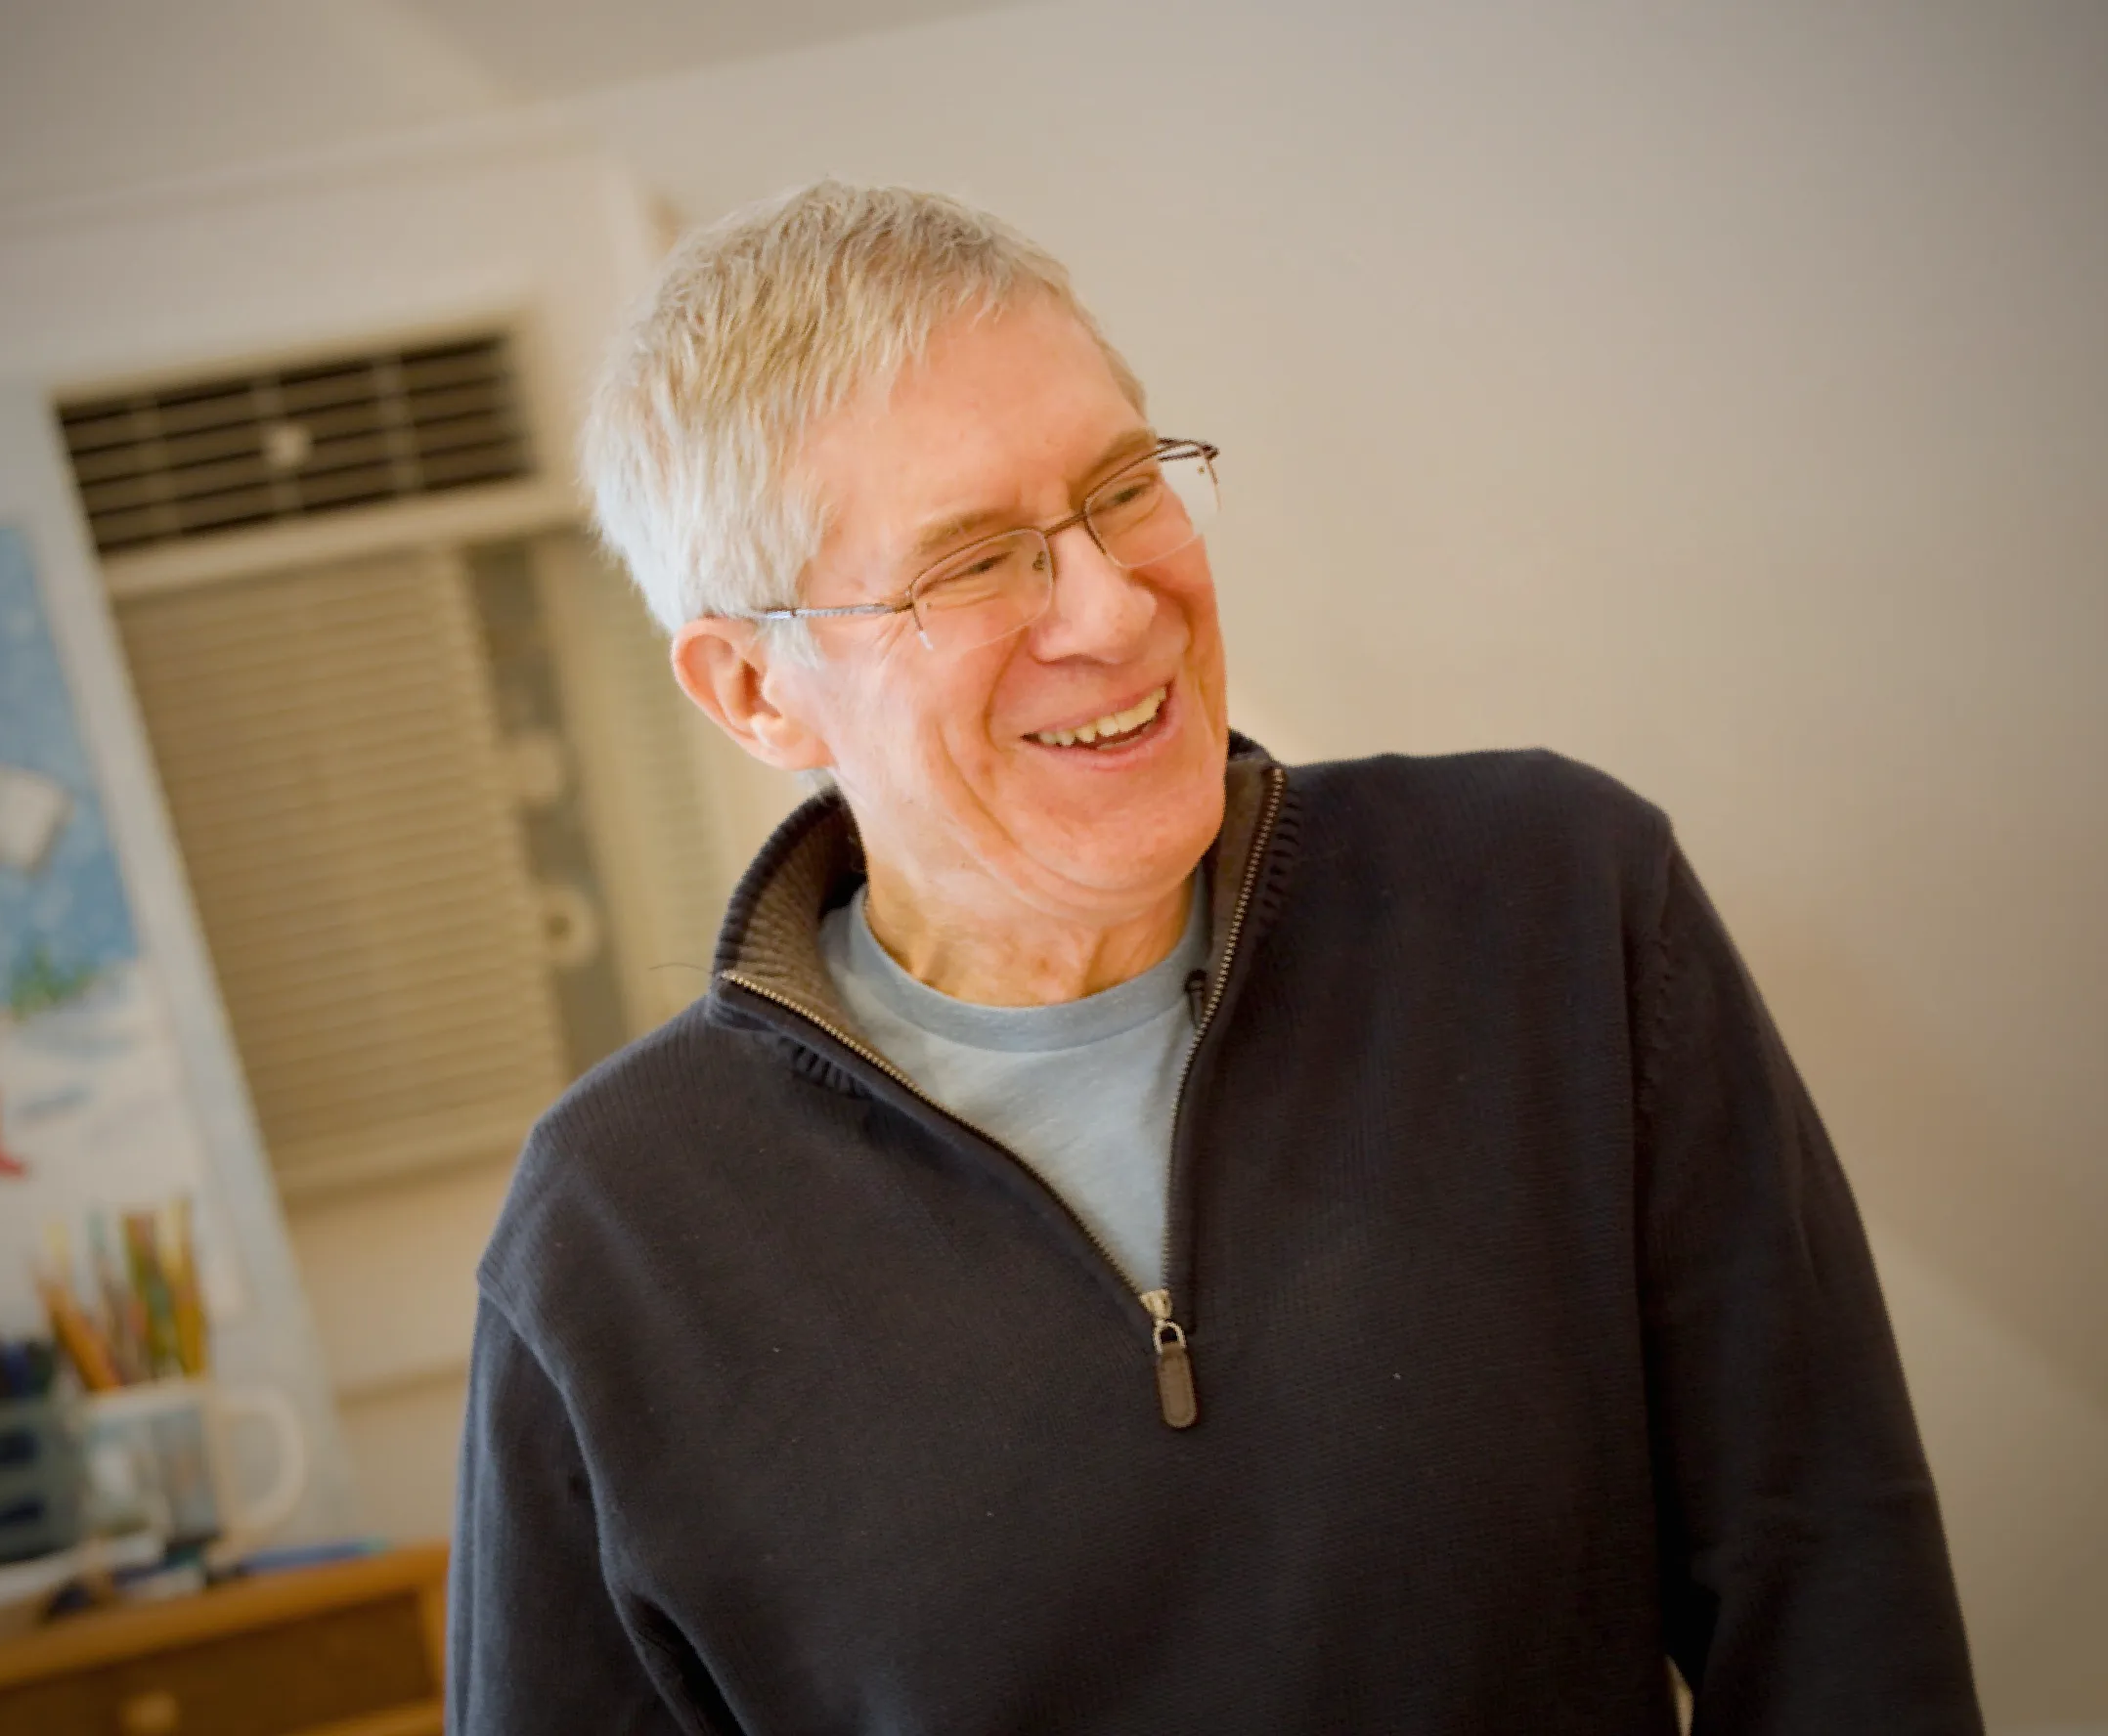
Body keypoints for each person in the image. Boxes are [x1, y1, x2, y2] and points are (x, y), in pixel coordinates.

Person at [448, 182, 1981, 1734]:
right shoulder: (612, 1240)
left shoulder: (1557, 909)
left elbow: (1835, 1588)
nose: (1116, 609)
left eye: (1124, 490)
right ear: (758, 694)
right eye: (975, 562)